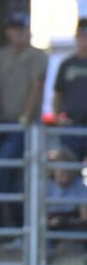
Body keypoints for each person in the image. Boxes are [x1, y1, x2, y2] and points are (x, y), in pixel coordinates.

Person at [0, 12, 47, 206]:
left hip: (23, 127)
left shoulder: (38, 55)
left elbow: (36, 89)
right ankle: (4, 225)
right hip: (3, 124)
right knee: (6, 174)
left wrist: (24, 119)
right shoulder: (1, 55)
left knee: (5, 168)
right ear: (8, 31)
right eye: (14, 28)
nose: (18, 32)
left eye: (22, 28)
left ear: (28, 31)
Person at [53, 19, 87, 160]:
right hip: (71, 124)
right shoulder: (67, 64)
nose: (84, 39)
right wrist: (57, 117)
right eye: (81, 35)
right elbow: (58, 93)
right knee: (69, 168)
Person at [47, 148, 87, 231]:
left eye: (66, 168)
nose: (63, 172)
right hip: (50, 230)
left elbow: (84, 217)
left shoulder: (80, 187)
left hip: (73, 228)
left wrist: (68, 221)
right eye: (59, 169)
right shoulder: (47, 187)